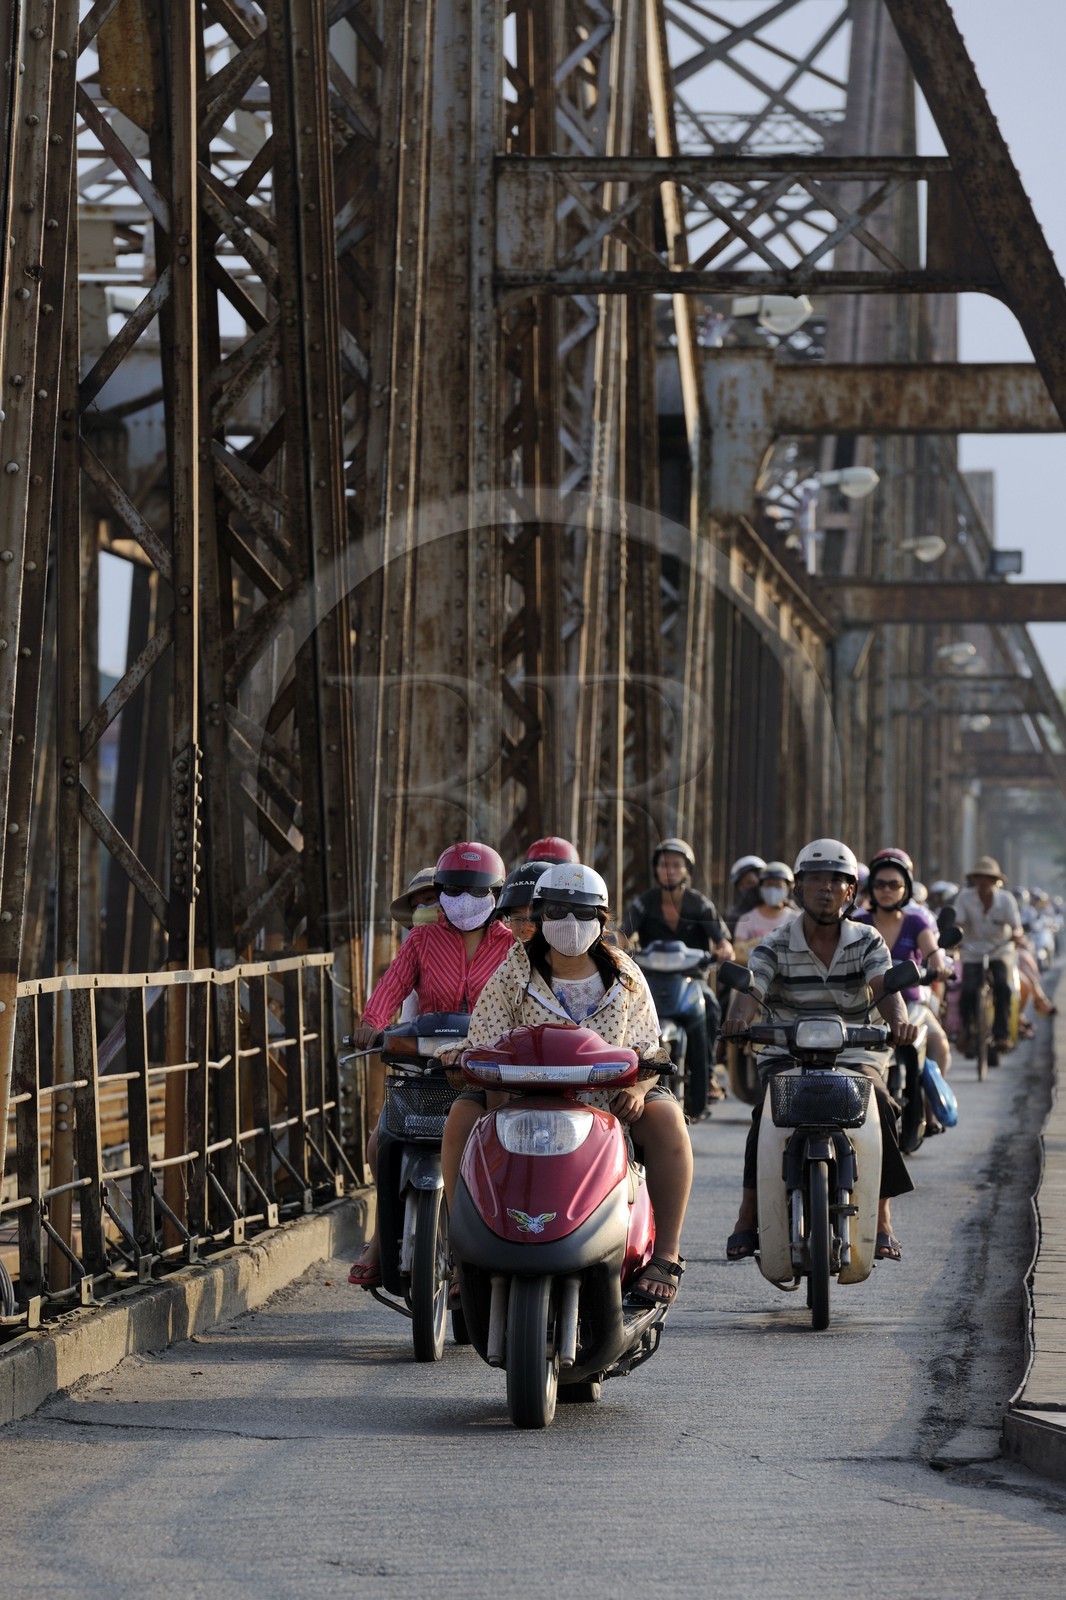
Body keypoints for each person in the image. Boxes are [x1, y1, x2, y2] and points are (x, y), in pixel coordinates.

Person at [440, 863, 693, 1304]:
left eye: (582, 913)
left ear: (602, 920)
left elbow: (649, 1050)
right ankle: (459, 1253)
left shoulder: (625, 977)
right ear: (538, 917)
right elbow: (483, 1040)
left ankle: (666, 1254)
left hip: (607, 1103)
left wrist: (634, 1091)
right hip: (521, 1101)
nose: (569, 924)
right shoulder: (512, 974)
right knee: (462, 1115)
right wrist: (473, 1072)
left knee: (668, 1120)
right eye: (557, 912)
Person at [722, 838, 918, 1264]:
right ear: (798, 887)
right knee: (766, 1112)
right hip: (786, 1050)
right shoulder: (774, 942)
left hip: (855, 1050)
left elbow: (885, 986)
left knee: (880, 1104)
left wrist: (899, 1021)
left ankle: (882, 1219)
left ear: (852, 892)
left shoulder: (868, 940)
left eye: (836, 880)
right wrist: (739, 1019)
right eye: (815, 879)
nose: (825, 888)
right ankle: (747, 1214)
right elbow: (752, 986)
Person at [347, 841, 512, 1288]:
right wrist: (371, 1022)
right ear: (440, 892)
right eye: (455, 890)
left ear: (497, 895)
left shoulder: (513, 946)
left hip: (486, 1069)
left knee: (503, 1145)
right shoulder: (422, 939)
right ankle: (382, 1238)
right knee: (384, 1138)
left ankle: (500, 1236)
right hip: (427, 1066)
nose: (466, 901)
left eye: (478, 892)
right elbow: (393, 984)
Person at [621, 837, 734, 1101]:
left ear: (687, 871)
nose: (669, 870)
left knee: (711, 1006)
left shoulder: (700, 904)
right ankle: (628, 1071)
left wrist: (723, 949)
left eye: (675, 865)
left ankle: (706, 1075)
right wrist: (614, 942)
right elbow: (621, 933)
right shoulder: (644, 903)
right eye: (663, 865)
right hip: (649, 981)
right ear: (656, 869)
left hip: (691, 980)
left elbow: (723, 941)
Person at [852, 848, 953, 1126]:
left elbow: (931, 951)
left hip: (911, 1005)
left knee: (939, 1043)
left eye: (894, 884)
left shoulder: (916, 921)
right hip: (867, 1008)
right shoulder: (857, 923)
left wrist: (938, 965)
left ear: (905, 888)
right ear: (870, 888)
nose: (886, 890)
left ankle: (930, 1111)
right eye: (880, 884)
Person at [954, 857, 1024, 1055]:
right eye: (980, 877)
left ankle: (1002, 1034)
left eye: (988, 878)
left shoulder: (1006, 900)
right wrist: (955, 935)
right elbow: (958, 922)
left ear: (996, 881)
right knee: (967, 989)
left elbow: (1016, 926)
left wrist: (1018, 935)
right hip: (972, 950)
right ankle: (966, 1030)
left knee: (1003, 987)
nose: (984, 881)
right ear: (975, 879)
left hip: (999, 949)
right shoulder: (964, 897)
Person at [732, 861, 799, 954]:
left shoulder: (797, 919)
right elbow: (737, 951)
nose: (772, 890)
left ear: (788, 888)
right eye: (768, 885)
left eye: (778, 885)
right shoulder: (747, 919)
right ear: (760, 887)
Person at [493, 860, 550, 945]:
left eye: (534, 919)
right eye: (518, 919)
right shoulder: (507, 956)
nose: (525, 928)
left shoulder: (574, 956)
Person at [724, 855, 766, 934]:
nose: (747, 888)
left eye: (750, 883)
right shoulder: (735, 917)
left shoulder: (786, 911)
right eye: (741, 885)